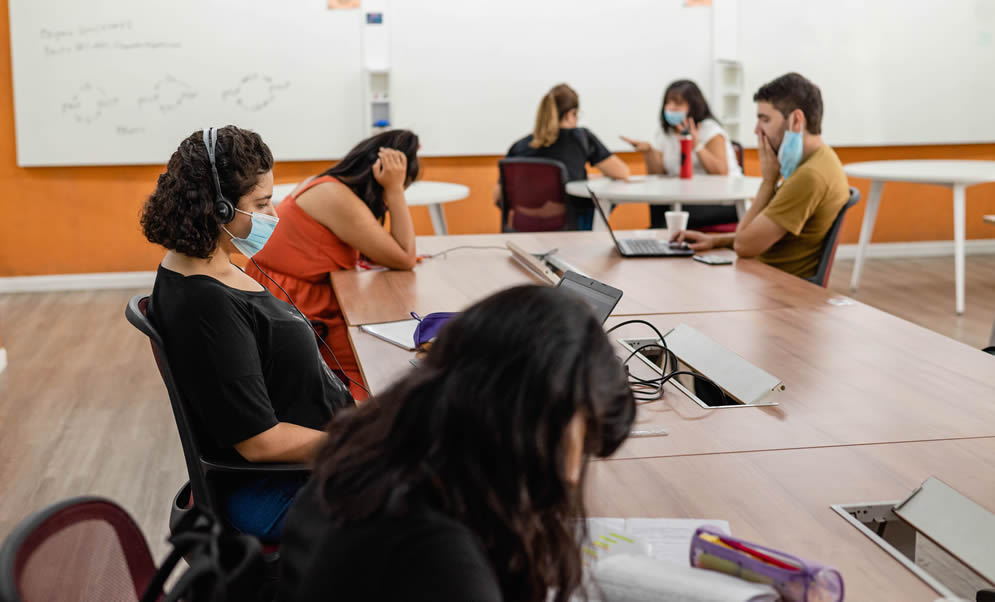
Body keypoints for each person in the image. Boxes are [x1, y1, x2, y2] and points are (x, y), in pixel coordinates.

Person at [277, 285, 637, 602]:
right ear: (527, 421)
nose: (574, 475)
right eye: (581, 445)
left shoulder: (378, 457)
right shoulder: (435, 554)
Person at [140, 126, 354, 542]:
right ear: (217, 209)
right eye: (261, 203)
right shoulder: (206, 306)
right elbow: (261, 444)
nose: (273, 216)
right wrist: (369, 442)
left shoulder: (211, 262)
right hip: (279, 486)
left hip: (311, 459)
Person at [245, 130, 420, 401]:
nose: (389, 199)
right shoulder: (334, 195)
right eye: (402, 185)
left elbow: (389, 253)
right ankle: (364, 427)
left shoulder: (332, 185)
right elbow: (404, 257)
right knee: (373, 357)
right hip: (292, 301)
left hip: (293, 292)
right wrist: (395, 189)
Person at [673, 73, 850, 279]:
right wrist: (714, 241)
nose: (757, 130)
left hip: (774, 289)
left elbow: (744, 245)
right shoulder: (819, 161)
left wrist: (768, 181)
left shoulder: (810, 176)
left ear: (796, 121)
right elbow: (756, 235)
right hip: (761, 278)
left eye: (765, 119)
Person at [498, 83, 630, 230]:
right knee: (603, 201)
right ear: (570, 114)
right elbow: (622, 173)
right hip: (569, 227)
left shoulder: (519, 146)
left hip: (524, 224)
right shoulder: (580, 137)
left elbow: (497, 196)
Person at [622, 79, 742, 230]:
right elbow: (658, 174)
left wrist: (697, 145)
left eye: (677, 104)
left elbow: (720, 172)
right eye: (668, 103)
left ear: (693, 106)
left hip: (720, 201)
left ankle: (660, 239)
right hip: (685, 198)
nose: (671, 108)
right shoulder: (665, 133)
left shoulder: (710, 130)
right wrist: (649, 152)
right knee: (659, 208)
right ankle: (655, 240)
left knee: (670, 219)